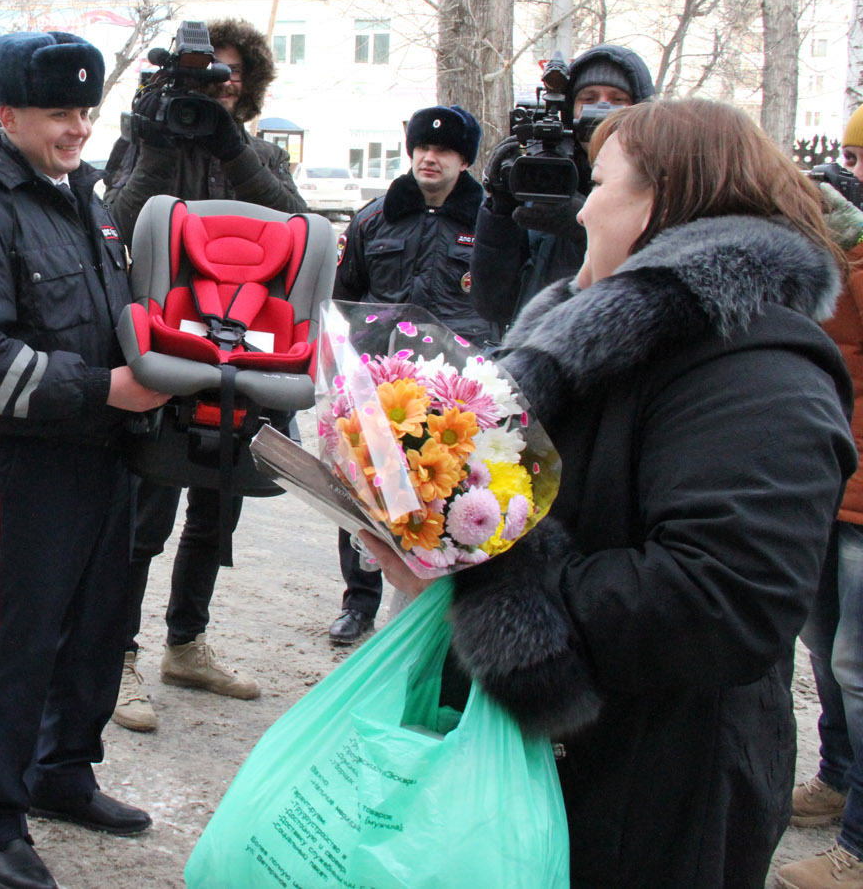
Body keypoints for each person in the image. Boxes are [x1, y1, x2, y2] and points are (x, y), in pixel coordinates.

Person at [363, 97, 855, 889]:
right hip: (555, 762)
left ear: (664, 202)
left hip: (654, 794)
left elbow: (723, 598)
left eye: (602, 183)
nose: (583, 206)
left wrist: (483, 570)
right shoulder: (600, 332)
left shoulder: (760, 367)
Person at [0, 31, 170, 889]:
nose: (77, 127)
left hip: (110, 455)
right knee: (23, 635)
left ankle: (65, 770)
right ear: (9, 114)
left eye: (85, 110)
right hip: (34, 462)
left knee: (102, 622)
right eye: (60, 112)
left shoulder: (87, 200)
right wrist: (102, 388)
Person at [101, 17, 307, 732]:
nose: (214, 91)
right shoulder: (142, 142)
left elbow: (299, 233)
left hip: (244, 352)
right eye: (201, 77)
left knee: (219, 503)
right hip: (163, 347)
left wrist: (234, 150)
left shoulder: (259, 155)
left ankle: (185, 643)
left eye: (228, 78)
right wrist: (157, 150)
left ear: (245, 88)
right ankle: (115, 657)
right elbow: (110, 233)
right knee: (144, 514)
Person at [326, 104, 492, 645]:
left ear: (463, 160)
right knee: (368, 487)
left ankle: (435, 603)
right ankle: (358, 602)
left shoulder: (490, 224)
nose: (429, 157)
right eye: (422, 147)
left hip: (454, 384)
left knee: (442, 492)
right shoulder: (375, 218)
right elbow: (344, 295)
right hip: (380, 379)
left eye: (443, 150)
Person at [774, 101, 863, 889]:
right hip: (836, 475)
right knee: (824, 648)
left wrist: (853, 244)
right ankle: (837, 777)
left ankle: (861, 844)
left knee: (858, 662)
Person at [470, 44, 656, 331]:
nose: (601, 110)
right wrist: (499, 211)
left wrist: (587, 225)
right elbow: (493, 305)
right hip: (536, 348)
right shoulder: (540, 178)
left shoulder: (661, 188)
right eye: (589, 98)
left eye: (617, 99)